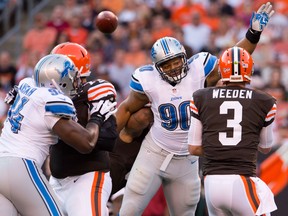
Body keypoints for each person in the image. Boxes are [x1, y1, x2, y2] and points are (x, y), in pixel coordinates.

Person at [116, 2, 274, 215]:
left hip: (186, 160)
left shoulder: (199, 69)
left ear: (184, 57)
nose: (173, 68)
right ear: (157, 68)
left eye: (176, 62)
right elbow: (126, 109)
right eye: (166, 65)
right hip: (153, 152)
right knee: (130, 210)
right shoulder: (147, 81)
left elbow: (233, 59)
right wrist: (109, 139)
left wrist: (253, 33)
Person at [0, 53, 117, 216]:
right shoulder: (51, 99)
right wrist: (97, 116)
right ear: (57, 82)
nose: (76, 83)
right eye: (71, 79)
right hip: (21, 167)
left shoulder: (26, 84)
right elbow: (87, 143)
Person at [188, 46, 277, 216]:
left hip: (211, 183)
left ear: (222, 70)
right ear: (249, 70)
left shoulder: (200, 97)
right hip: (241, 180)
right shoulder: (264, 101)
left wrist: (219, 148)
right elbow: (265, 147)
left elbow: (193, 147)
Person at [48, 42, 117, 216]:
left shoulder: (94, 94)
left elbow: (109, 139)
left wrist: (72, 134)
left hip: (88, 178)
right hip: (56, 181)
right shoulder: (50, 96)